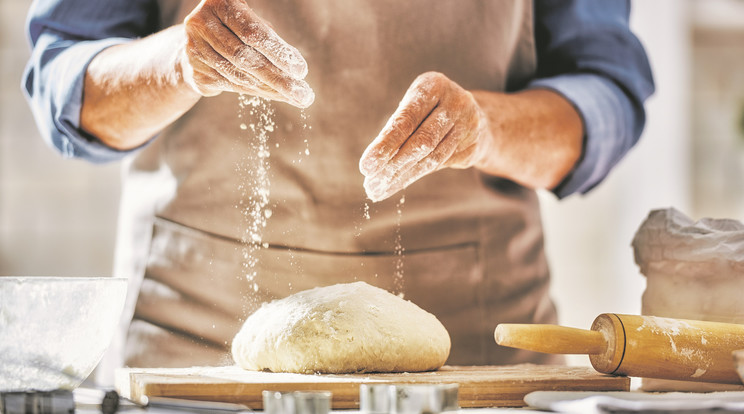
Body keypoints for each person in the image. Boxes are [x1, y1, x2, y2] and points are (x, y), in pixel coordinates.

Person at [23, 0, 654, 381]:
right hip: (194, 341)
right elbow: (64, 78)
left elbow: (606, 93)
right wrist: (177, 64)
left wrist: (488, 129)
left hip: (472, 353)